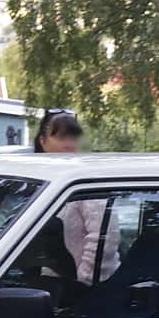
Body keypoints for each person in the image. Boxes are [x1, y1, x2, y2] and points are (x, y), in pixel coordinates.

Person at [33, 108, 118, 283]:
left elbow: (105, 237)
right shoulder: (39, 181)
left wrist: (83, 281)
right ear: (42, 141)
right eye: (61, 137)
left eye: (73, 137)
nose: (69, 144)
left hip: (86, 291)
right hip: (49, 285)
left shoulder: (87, 182)